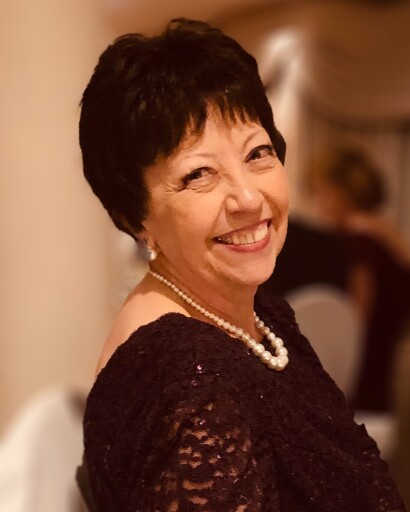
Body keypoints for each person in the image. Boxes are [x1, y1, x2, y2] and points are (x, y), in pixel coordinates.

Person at [76, 19, 405, 511]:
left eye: (258, 153)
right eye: (198, 174)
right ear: (133, 215)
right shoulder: (187, 383)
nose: (249, 198)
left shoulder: (260, 315)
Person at [308, 148, 410, 413]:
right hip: (387, 361)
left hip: (366, 368)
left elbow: (357, 316)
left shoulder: (358, 242)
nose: (318, 204)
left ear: (345, 192)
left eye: (323, 193)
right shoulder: (383, 232)